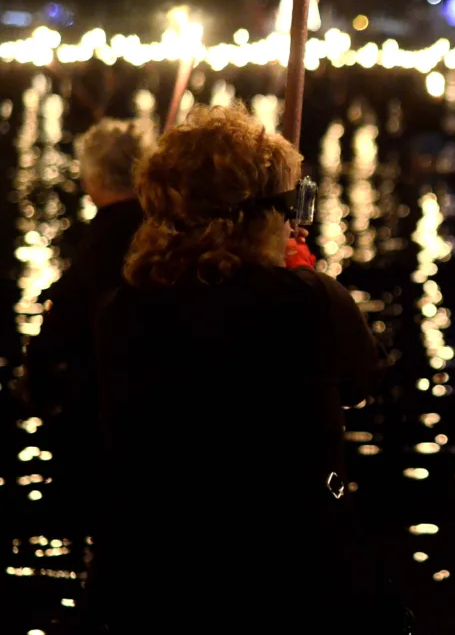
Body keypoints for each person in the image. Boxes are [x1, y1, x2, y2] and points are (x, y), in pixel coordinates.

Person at [90, 104, 406, 633]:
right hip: (287, 579)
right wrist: (304, 280)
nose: (296, 218)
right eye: (293, 202)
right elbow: (361, 380)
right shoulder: (306, 303)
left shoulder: (123, 309)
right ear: (258, 213)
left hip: (153, 577)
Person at [20, 118, 152, 537]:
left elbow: (66, 326)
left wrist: (36, 382)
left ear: (93, 174)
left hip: (105, 408)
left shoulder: (106, 237)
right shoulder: (157, 230)